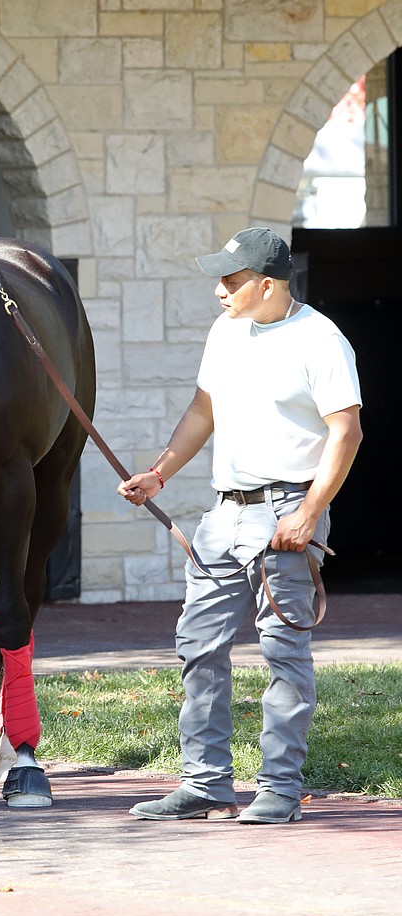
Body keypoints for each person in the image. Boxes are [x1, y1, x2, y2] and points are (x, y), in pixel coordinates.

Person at [118, 226, 362, 825]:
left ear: (268, 284)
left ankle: (279, 790)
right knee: (198, 647)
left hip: (286, 511)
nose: (220, 291)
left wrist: (309, 512)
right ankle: (205, 784)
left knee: (284, 652)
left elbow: (346, 431)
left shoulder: (320, 338)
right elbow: (203, 410)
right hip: (222, 511)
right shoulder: (225, 331)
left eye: (231, 280)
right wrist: (159, 473)